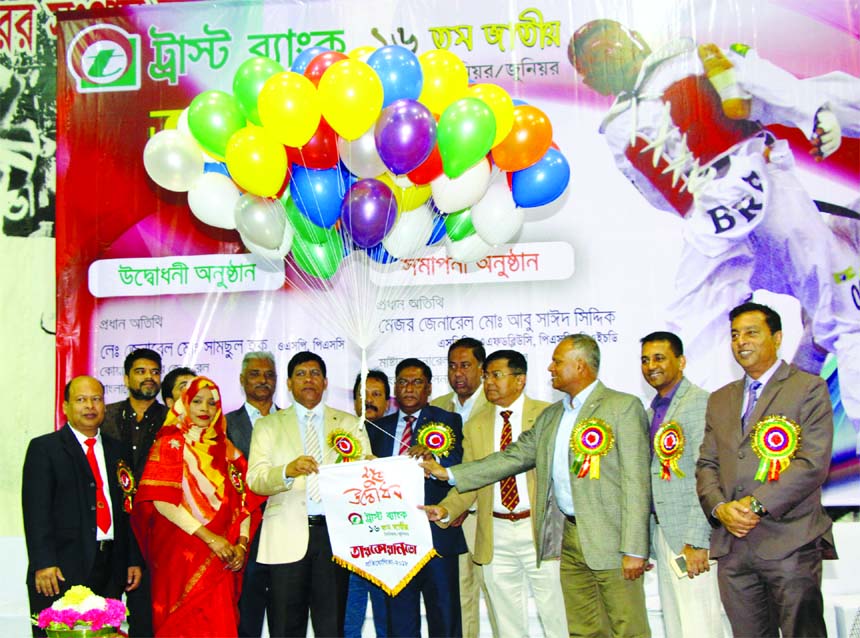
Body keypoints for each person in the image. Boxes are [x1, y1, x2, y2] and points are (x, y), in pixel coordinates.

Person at [568, 19, 860, 433]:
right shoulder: (617, 128)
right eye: (593, 59)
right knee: (690, 328)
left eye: (609, 46)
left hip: (757, 176)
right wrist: (703, 204)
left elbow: (760, 85)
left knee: (837, 305)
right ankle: (713, 447)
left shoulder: (689, 59)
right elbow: (654, 193)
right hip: (709, 220)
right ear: (590, 80)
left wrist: (814, 114)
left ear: (634, 41)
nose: (606, 58)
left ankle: (820, 399)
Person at [423, 334, 651, 637]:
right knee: (582, 629)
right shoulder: (553, 415)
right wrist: (450, 474)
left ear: (580, 366)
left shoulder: (621, 406)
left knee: (627, 626)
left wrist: (636, 547)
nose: (550, 368)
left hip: (606, 537)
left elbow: (636, 481)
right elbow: (512, 457)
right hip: (566, 537)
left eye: (557, 362)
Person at [696, 302, 836, 637]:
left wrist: (755, 505)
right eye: (734, 335)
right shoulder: (720, 399)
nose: (741, 341)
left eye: (751, 333)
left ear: (776, 337)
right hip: (733, 547)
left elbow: (812, 462)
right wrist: (720, 508)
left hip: (790, 541)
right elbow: (706, 464)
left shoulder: (808, 388)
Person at [425, 349, 567, 638]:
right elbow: (472, 476)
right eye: (487, 375)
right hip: (496, 531)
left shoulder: (547, 415)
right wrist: (446, 509)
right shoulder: (476, 423)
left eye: (497, 375)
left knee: (558, 616)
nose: (489, 382)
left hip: (539, 530)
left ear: (520, 380)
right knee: (507, 624)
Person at [246, 351, 372, 638]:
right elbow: (255, 480)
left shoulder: (350, 424)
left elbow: (365, 477)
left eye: (315, 374)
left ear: (325, 382)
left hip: (334, 538)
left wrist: (369, 467)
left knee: (331, 627)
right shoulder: (268, 425)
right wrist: (287, 471)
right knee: (285, 626)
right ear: (288, 384)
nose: (309, 380)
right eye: (301, 374)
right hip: (285, 537)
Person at [132, 376, 262, 637]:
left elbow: (244, 501)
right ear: (185, 404)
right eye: (198, 401)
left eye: (212, 403)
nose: (205, 409)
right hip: (181, 552)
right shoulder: (170, 442)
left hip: (224, 555)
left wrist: (242, 544)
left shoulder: (227, 450)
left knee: (219, 623)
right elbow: (161, 501)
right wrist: (211, 539)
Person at [22, 376, 142, 637]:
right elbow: (36, 511)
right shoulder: (45, 448)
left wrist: (132, 558)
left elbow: (126, 509)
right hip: (61, 568)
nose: (90, 406)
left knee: (105, 634)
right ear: (65, 406)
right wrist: (44, 562)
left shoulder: (118, 450)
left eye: (96, 399)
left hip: (110, 564)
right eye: (81, 399)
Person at [369, 358, 466, 638]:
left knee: (444, 619)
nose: (409, 388)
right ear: (395, 389)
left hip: (436, 536)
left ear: (429, 389)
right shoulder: (375, 427)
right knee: (399, 623)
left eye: (417, 382)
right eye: (402, 382)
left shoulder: (448, 421)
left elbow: (459, 464)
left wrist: (434, 457)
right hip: (393, 540)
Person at [639, 332, 725, 638]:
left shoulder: (700, 403)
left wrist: (698, 540)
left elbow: (706, 476)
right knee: (677, 625)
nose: (651, 366)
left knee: (701, 625)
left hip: (690, 538)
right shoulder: (653, 412)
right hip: (664, 534)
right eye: (645, 360)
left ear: (682, 361)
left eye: (659, 358)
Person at [429, 337, 494, 638]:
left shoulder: (496, 404)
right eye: (452, 366)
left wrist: (462, 504)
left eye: (465, 365)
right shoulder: (436, 408)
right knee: (461, 600)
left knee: (497, 601)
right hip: (448, 520)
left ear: (482, 369)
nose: (458, 373)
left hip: (488, 516)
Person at [102, 348, 166, 638]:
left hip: (155, 530)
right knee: (103, 613)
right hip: (111, 527)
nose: (149, 377)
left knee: (147, 619)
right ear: (126, 377)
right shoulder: (106, 416)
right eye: (141, 371)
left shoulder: (172, 420)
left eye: (154, 371)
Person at [226, 352, 278, 638]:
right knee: (247, 617)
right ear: (242, 380)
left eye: (269, 375)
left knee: (285, 615)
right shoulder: (224, 425)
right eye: (256, 374)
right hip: (243, 536)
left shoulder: (290, 421)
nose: (263, 380)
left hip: (286, 529)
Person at [344, 370, 390, 638]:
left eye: (376, 394)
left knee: (389, 622)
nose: (369, 401)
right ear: (354, 400)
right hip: (351, 547)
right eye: (363, 395)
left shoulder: (398, 437)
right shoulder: (341, 437)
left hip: (389, 546)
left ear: (387, 401)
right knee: (349, 623)